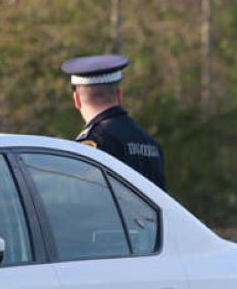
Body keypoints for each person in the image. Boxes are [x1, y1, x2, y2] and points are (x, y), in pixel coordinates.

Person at [61, 54, 167, 191]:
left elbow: (85, 198)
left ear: (77, 99)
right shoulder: (149, 141)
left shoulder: (94, 140)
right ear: (119, 95)